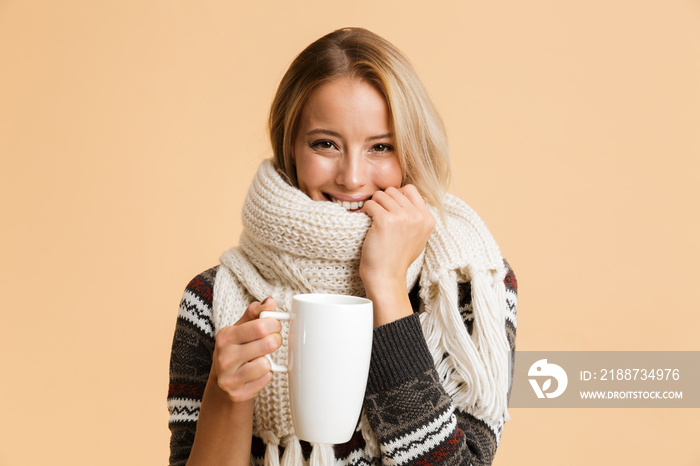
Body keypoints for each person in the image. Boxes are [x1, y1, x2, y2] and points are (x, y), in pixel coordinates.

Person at [168, 27, 517, 466]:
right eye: (325, 144)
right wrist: (228, 396)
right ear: (290, 147)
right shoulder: (214, 298)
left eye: (381, 147)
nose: (352, 177)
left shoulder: (466, 283)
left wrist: (387, 286)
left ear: (412, 151)